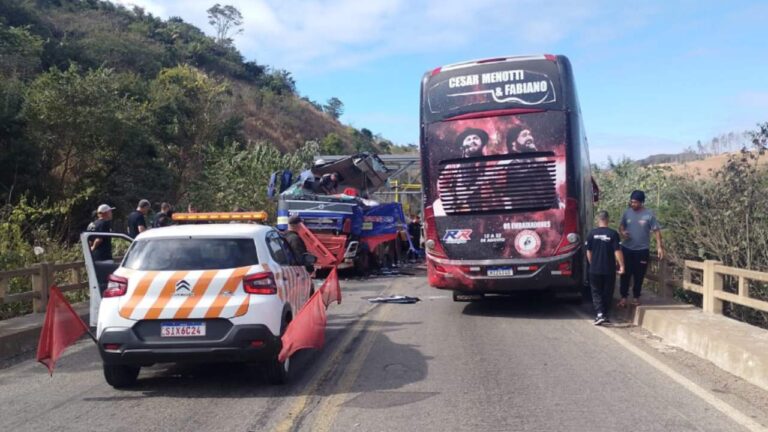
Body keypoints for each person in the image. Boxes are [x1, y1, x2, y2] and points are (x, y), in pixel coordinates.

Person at [618, 190, 664, 307]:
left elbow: (656, 231)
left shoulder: (649, 214)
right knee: (625, 274)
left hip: (642, 250)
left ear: (642, 202)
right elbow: (621, 226)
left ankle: (636, 297)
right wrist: (623, 232)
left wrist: (659, 247)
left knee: (639, 275)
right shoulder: (626, 213)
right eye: (632, 202)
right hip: (627, 248)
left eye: (635, 202)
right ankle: (623, 297)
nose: (633, 204)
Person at [586, 210, 625, 325]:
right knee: (607, 292)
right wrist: (622, 265)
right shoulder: (613, 234)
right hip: (609, 269)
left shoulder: (591, 234)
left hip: (595, 269)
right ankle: (604, 314)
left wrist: (592, 263)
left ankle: (600, 314)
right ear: (607, 219)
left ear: (598, 219)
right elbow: (617, 251)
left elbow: (589, 252)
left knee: (596, 291)